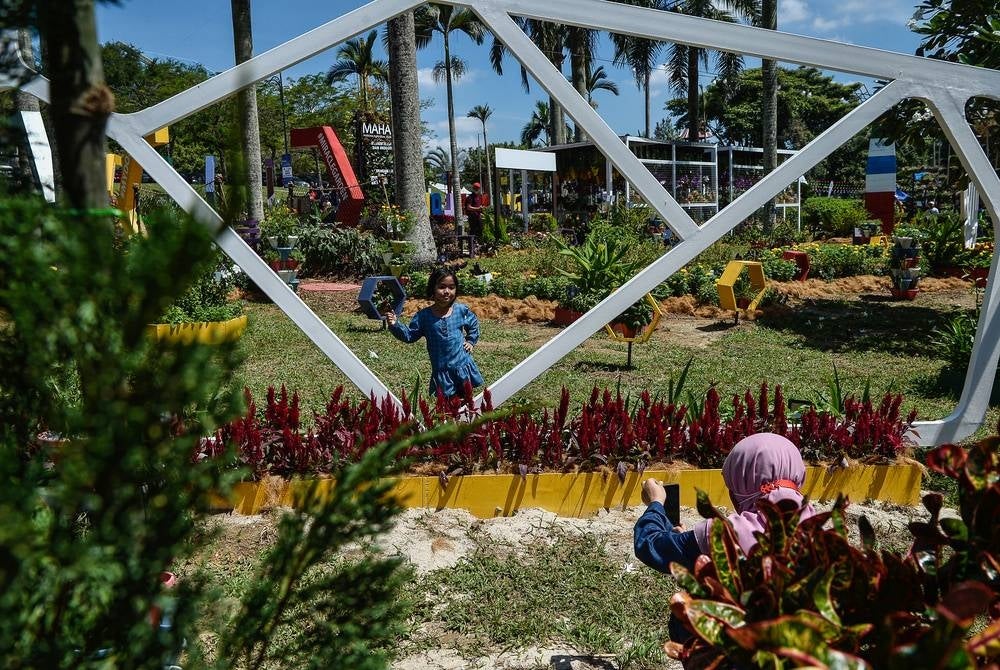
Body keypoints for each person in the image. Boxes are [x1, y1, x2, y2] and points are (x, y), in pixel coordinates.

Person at [633, 433, 815, 643]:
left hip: (746, 653)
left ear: (743, 482)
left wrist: (656, 503)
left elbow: (651, 545)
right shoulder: (819, 527)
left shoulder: (729, 532)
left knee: (688, 611)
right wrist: (691, 544)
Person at [385, 267, 484, 399]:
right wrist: (395, 325)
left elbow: (473, 323)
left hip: (462, 365)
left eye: (451, 287)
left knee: (467, 402)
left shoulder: (461, 310)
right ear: (433, 288)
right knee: (447, 407)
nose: (447, 291)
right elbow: (410, 335)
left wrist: (471, 340)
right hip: (442, 370)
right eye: (442, 287)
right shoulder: (423, 317)